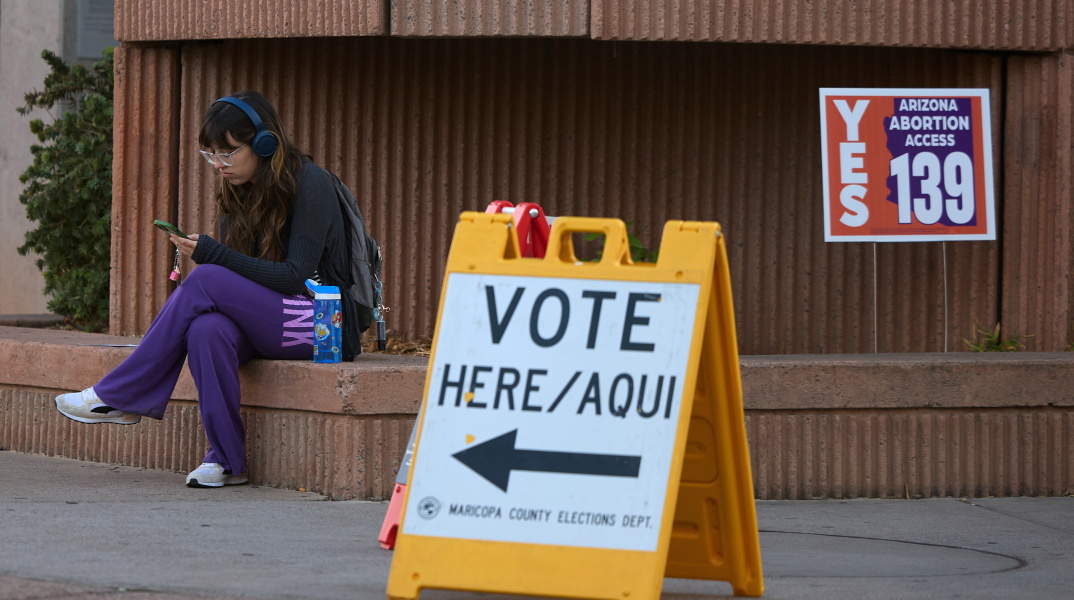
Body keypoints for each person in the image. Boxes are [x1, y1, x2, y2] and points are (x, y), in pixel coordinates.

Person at [54, 91, 360, 488]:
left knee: (206, 277)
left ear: (265, 144)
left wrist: (213, 255)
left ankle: (121, 394)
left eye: (228, 153)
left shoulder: (311, 183)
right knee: (207, 331)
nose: (219, 165)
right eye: (210, 155)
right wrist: (215, 256)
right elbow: (244, 278)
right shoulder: (237, 189)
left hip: (324, 325)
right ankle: (227, 460)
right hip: (274, 320)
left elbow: (292, 276)